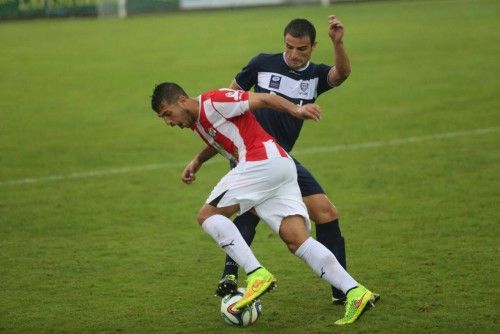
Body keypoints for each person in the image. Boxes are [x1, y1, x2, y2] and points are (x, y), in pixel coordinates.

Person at [150, 82, 378, 325]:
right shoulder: (198, 121)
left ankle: (255, 273)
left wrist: (296, 110)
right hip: (277, 168)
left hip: (261, 162)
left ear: (183, 100)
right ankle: (355, 291)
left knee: (207, 216)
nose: (169, 122)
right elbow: (218, 138)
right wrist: (198, 161)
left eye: (167, 114)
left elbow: (266, 99)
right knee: (296, 239)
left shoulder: (214, 101)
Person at [214, 15, 355, 304]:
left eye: (301, 49)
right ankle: (229, 275)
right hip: (251, 152)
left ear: (313, 47)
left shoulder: (315, 76)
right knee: (250, 210)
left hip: (282, 158)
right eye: (289, 46)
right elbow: (230, 100)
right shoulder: (261, 63)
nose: (293, 54)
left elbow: (341, 75)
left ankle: (342, 291)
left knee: (326, 212)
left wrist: (338, 43)